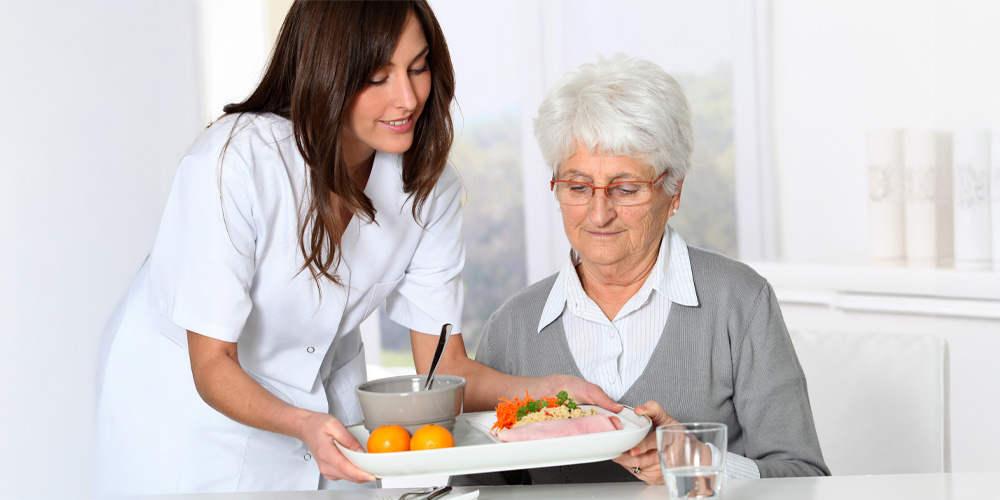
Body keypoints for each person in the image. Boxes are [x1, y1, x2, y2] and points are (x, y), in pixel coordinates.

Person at [95, 2, 617, 495]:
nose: (407, 99)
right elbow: (211, 363)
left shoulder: (429, 187)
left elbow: (444, 364)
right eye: (377, 78)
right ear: (326, 74)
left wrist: (549, 394)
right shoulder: (236, 162)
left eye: (418, 68)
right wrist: (300, 423)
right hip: (193, 415)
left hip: (324, 401)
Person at [456, 54, 830, 486]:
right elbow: (481, 485)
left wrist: (700, 466)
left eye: (626, 189)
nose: (599, 214)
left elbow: (805, 478)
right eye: (578, 187)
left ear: (674, 192)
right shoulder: (512, 328)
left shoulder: (740, 302)